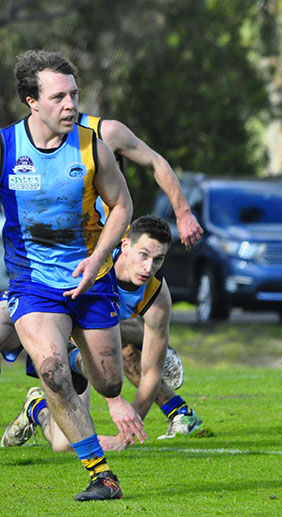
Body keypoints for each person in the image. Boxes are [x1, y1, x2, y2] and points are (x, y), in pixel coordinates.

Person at [0, 50, 141, 501]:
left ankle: (83, 359)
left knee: (110, 383)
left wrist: (97, 258)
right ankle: (102, 474)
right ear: (31, 101)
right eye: (59, 96)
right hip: (34, 283)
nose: (71, 104)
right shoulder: (5, 148)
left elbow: (122, 206)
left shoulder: (91, 147)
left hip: (93, 281)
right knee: (50, 367)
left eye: (74, 94)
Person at [1, 216, 203, 451]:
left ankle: (36, 407)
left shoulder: (157, 298)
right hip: (38, 314)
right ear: (126, 245)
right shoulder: (95, 258)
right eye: (144, 255)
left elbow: (151, 374)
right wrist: (114, 400)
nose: (149, 267)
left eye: (158, 259)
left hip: (79, 352)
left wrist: (125, 436)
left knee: (65, 444)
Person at [76, 113, 203, 249]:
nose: (68, 104)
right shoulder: (50, 143)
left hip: (112, 248)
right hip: (61, 252)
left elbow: (156, 162)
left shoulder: (106, 132)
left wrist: (183, 214)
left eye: (73, 94)